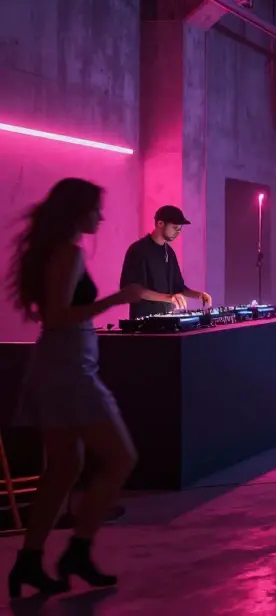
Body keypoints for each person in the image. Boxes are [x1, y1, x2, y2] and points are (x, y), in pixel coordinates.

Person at [6, 179, 143, 598]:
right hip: (69, 371)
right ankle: (77, 552)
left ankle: (29, 562)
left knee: (64, 468)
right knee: (120, 457)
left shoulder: (56, 251)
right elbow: (58, 317)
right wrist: (116, 299)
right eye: (96, 209)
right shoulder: (68, 253)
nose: (101, 216)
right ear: (78, 211)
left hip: (58, 368)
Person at [118, 205, 211, 317]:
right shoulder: (138, 250)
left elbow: (178, 287)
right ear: (160, 223)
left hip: (166, 319)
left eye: (180, 229)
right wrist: (169, 298)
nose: (178, 232)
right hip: (144, 321)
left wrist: (199, 295)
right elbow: (134, 290)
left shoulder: (169, 252)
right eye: (175, 228)